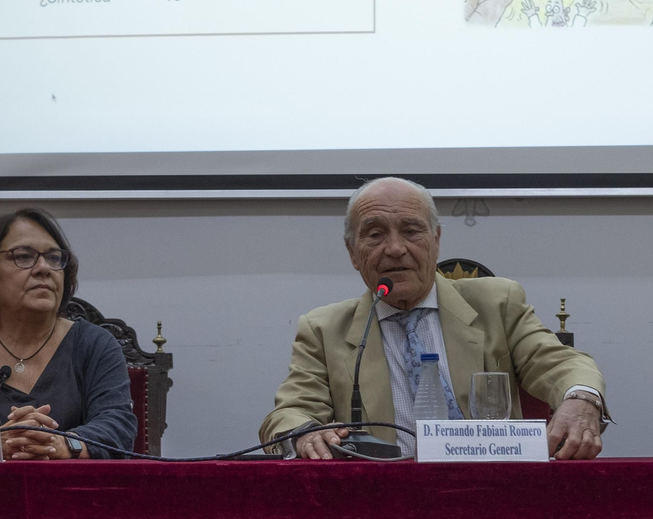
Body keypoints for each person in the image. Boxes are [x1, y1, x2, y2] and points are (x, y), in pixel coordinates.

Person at [261, 177, 610, 460]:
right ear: (353, 253)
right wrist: (305, 434)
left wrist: (581, 399)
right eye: (375, 234)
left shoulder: (496, 303)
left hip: (492, 491)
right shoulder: (323, 329)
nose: (395, 248)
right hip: (380, 504)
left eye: (411, 231)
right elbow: (288, 414)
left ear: (436, 239)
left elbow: (559, 362)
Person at [0, 209, 137, 460]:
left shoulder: (95, 344)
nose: (43, 268)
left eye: (53, 257)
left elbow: (118, 425)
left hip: (75, 494)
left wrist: (60, 444)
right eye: (24, 256)